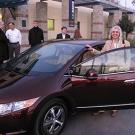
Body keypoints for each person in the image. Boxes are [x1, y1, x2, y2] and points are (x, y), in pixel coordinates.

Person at [88, 25, 130, 117]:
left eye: (117, 31)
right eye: (113, 32)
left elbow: (128, 58)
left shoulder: (125, 43)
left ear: (119, 33)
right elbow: (102, 54)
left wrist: (127, 70)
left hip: (120, 70)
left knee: (116, 90)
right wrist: (93, 50)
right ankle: (102, 108)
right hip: (108, 70)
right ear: (111, 33)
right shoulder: (108, 42)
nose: (115, 33)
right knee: (104, 89)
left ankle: (114, 108)